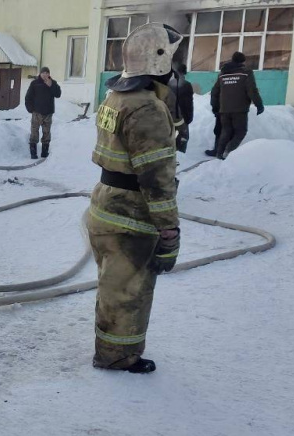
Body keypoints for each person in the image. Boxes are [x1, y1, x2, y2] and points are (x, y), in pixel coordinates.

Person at [88, 23, 182, 374]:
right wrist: (169, 233)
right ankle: (117, 356)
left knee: (112, 289)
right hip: (130, 217)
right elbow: (157, 182)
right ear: (158, 60)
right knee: (129, 292)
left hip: (104, 205)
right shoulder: (148, 109)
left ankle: (109, 349)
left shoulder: (115, 97)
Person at [207, 52, 264, 159]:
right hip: (240, 109)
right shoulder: (246, 72)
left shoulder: (223, 74)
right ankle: (228, 150)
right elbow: (252, 90)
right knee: (241, 131)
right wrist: (259, 105)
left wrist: (215, 107)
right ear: (243, 61)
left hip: (224, 109)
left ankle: (219, 153)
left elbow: (214, 91)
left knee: (226, 131)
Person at [24, 66, 62, 159]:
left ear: (49, 74)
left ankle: (44, 153)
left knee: (46, 133)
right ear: (40, 74)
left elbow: (58, 94)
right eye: (43, 73)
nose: (45, 75)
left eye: (47, 73)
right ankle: (33, 153)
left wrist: (51, 85)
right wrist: (30, 109)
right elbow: (28, 97)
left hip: (48, 113)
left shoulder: (53, 83)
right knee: (34, 132)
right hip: (37, 113)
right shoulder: (35, 83)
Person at [169, 64, 194, 152]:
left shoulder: (169, 84)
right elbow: (188, 103)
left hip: (169, 115)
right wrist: (189, 118)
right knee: (184, 136)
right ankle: (180, 153)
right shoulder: (186, 85)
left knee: (170, 136)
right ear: (184, 72)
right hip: (182, 115)